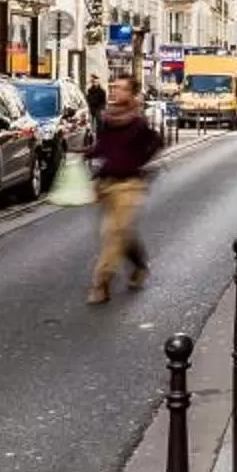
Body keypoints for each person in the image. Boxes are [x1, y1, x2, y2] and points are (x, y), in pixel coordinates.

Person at [87, 73, 164, 305]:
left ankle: (101, 283)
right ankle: (140, 265)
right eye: (113, 87)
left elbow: (156, 142)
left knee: (113, 234)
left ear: (131, 93)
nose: (114, 91)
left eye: (120, 88)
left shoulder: (138, 122)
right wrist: (87, 154)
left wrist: (137, 161)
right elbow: (104, 146)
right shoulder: (108, 118)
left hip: (130, 184)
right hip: (107, 183)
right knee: (124, 233)